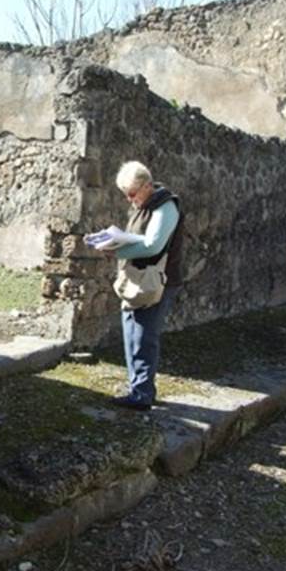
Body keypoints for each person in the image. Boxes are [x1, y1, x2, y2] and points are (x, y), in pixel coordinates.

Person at [101, 161, 184, 411]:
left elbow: (153, 245)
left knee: (143, 336)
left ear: (147, 186)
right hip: (137, 279)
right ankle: (139, 389)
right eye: (125, 194)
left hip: (156, 282)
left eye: (132, 193)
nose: (129, 199)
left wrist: (117, 251)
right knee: (132, 334)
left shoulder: (165, 206)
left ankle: (142, 394)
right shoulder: (145, 204)